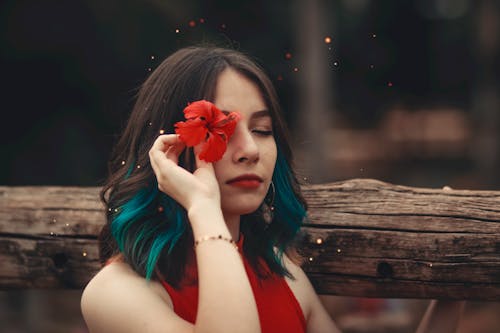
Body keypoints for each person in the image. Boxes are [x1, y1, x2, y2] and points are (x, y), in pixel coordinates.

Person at [80, 45, 465, 333]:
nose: (249, 149)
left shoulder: (282, 274)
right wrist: (202, 205)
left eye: (263, 130)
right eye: (221, 131)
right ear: (167, 148)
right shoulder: (114, 295)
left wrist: (452, 286)